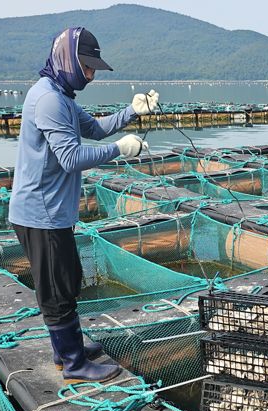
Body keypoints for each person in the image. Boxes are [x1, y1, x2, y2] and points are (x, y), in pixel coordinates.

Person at [9, 27, 160, 384]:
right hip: (40, 213)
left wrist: (130, 113)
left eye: (93, 68)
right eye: (86, 66)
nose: (90, 75)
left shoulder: (61, 96)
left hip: (52, 212)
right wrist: (120, 150)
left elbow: (93, 129)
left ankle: (69, 348)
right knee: (57, 290)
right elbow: (70, 157)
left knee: (67, 279)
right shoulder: (48, 100)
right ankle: (73, 363)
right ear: (66, 59)